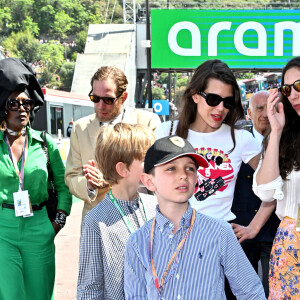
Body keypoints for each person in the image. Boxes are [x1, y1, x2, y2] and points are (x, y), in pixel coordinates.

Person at [124, 135, 266, 300]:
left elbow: (251, 292)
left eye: (190, 168)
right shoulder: (137, 242)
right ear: (149, 181)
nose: (183, 175)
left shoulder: (220, 232)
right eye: (171, 168)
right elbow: (136, 296)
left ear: (197, 179)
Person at [0, 58, 72, 300]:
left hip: (40, 227)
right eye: (14, 103)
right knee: (11, 295)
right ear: (2, 106)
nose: (22, 108)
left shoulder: (44, 142)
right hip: (3, 231)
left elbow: (63, 187)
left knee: (39, 295)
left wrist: (56, 224)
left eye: (26, 103)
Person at [155, 59, 261, 222]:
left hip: (218, 238)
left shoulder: (240, 138)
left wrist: (254, 227)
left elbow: (272, 185)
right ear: (195, 95)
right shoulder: (166, 131)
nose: (220, 108)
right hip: (174, 235)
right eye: (213, 99)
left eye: (227, 102)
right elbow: (150, 183)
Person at [234, 56, 300, 299]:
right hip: (289, 243)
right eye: (287, 89)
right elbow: (266, 193)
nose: (293, 94)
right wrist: (277, 132)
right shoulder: (281, 137)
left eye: (299, 86)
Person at [65, 66, 161, 220]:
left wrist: (110, 179)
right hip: (97, 221)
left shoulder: (148, 122)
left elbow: (157, 171)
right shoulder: (80, 128)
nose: (100, 106)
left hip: (139, 217)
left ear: (123, 97)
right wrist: (90, 185)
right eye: (95, 98)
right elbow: (71, 176)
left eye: (108, 100)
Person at [77, 123, 157, 299]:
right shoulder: (96, 221)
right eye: (146, 158)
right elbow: (89, 287)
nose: (154, 163)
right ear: (123, 169)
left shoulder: (156, 206)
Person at [231, 91, 280, 298]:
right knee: (243, 292)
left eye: (270, 108)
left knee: (272, 290)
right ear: (248, 113)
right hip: (241, 231)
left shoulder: (285, 144)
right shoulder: (236, 143)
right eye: (259, 108)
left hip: (275, 232)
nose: (265, 114)